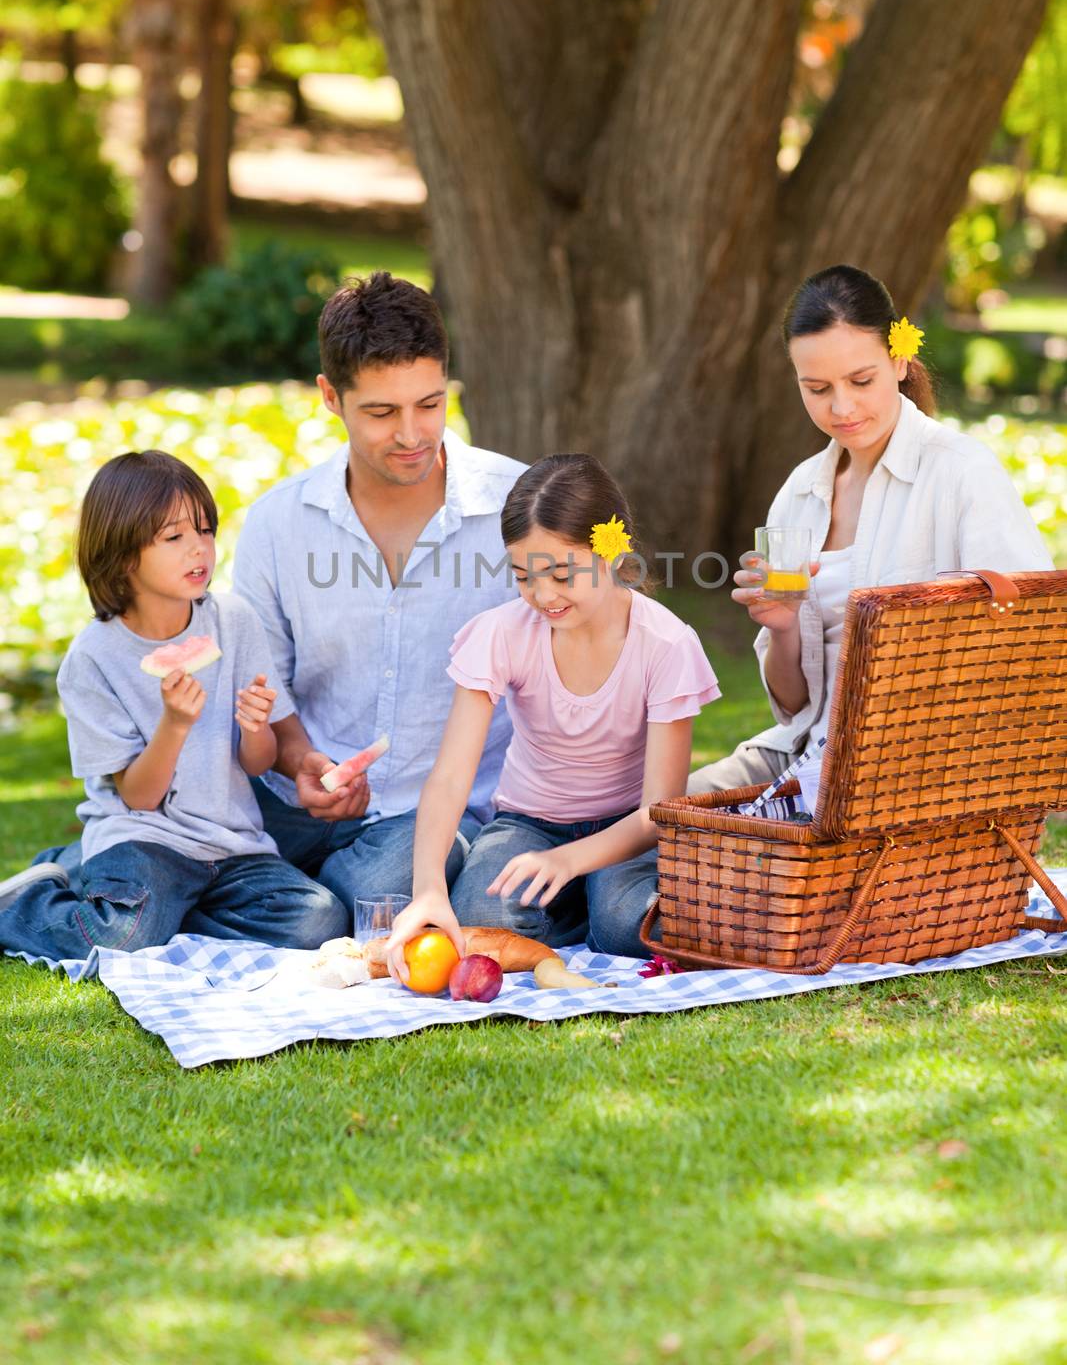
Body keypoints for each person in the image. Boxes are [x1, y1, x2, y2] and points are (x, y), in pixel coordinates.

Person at [593, 263, 1056, 954]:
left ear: (899, 358)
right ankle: (738, 907)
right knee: (626, 836)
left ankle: (726, 911)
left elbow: (1029, 641)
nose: (841, 407)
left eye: (860, 380)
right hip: (802, 755)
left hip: (909, 776)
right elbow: (793, 707)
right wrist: (780, 628)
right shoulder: (800, 496)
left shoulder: (958, 472)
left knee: (638, 882)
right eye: (817, 388)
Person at [231, 272, 526, 913]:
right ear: (331, 397)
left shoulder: (518, 507)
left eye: (429, 403)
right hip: (301, 810)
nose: (413, 434)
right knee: (188, 850)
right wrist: (300, 763)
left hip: (456, 810)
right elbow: (260, 686)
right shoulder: (277, 526)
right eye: (381, 412)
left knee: (376, 894)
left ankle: (301, 899)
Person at [384, 454, 721, 977]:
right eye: (523, 577)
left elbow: (658, 810)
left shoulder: (666, 644)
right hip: (528, 824)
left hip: (626, 829)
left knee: (623, 927)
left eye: (561, 574)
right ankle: (568, 901)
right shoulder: (502, 634)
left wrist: (570, 862)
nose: (542, 596)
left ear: (610, 552)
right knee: (480, 915)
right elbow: (451, 777)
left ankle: (580, 899)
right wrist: (428, 890)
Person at [0, 452, 347, 959]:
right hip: (145, 841)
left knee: (317, 921)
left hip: (232, 844)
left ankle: (146, 908)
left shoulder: (233, 620)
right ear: (122, 555)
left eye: (204, 531)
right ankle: (25, 903)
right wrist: (175, 725)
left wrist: (256, 729)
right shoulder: (92, 659)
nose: (199, 550)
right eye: (174, 537)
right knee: (119, 938)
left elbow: (256, 761)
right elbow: (139, 798)